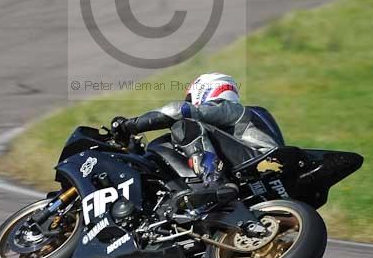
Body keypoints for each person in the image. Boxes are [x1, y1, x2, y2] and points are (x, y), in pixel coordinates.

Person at [111, 72, 279, 213]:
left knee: (184, 125)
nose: (190, 102)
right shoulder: (240, 123)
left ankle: (213, 181)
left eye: (190, 98)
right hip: (261, 173)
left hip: (257, 163)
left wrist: (129, 126)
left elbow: (179, 111)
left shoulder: (233, 109)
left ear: (205, 90)